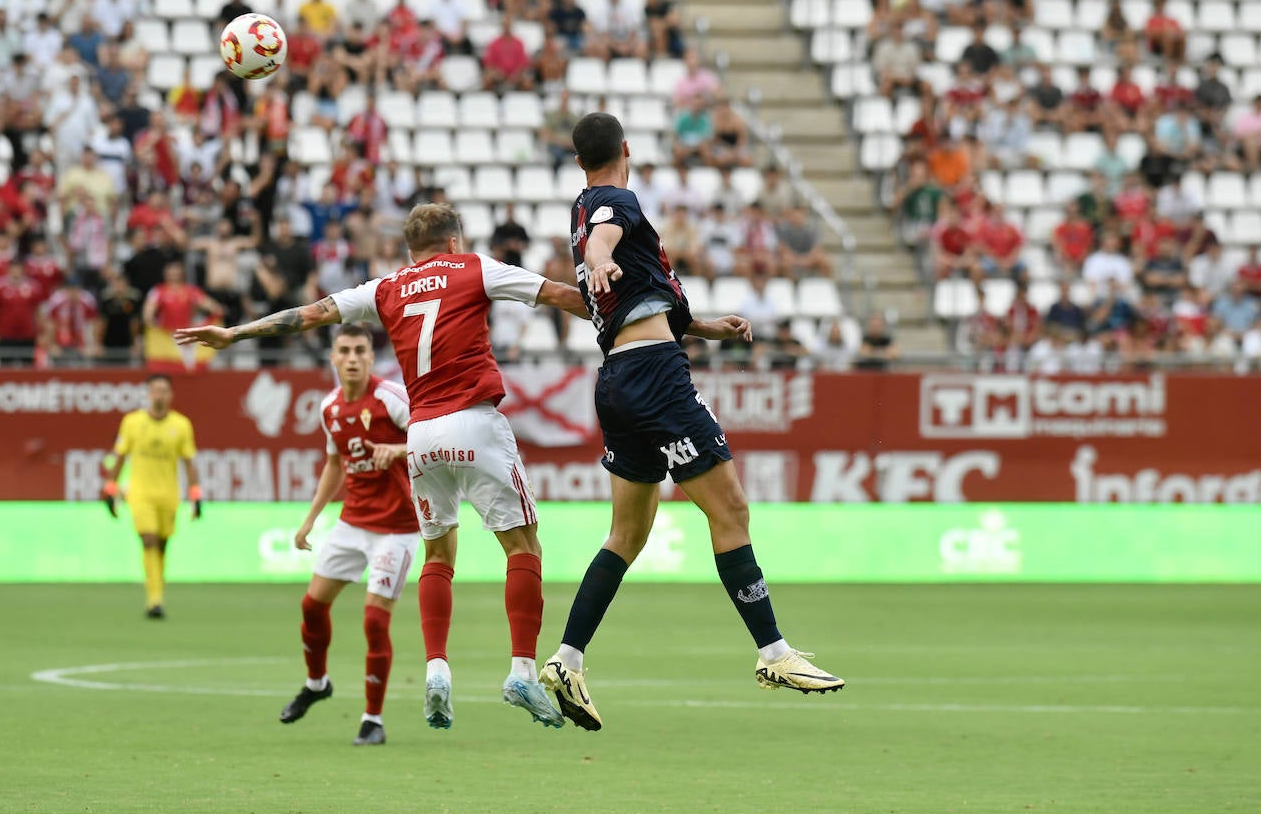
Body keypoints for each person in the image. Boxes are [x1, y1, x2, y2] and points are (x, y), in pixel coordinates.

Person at [174, 204, 591, 732]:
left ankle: (437, 668)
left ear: (409, 250)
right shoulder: (474, 268)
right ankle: (521, 670)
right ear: (454, 241)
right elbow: (557, 295)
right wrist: (623, 322)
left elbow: (308, 314)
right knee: (523, 546)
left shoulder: (384, 288)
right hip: (475, 421)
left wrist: (234, 333)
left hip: (420, 437)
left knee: (438, 554)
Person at [540, 113, 845, 733]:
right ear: (627, 150)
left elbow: (634, 294)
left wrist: (703, 325)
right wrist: (599, 263)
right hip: (656, 378)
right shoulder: (612, 202)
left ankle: (566, 659)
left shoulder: (583, 207)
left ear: (577, 161)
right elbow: (603, 241)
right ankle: (774, 653)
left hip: (618, 379)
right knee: (730, 512)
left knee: (626, 534)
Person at [279, 324, 419, 747]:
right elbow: (335, 464)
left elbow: (433, 438)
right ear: (333, 358)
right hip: (352, 522)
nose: (354, 357)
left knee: (375, 619)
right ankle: (317, 683)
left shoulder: (391, 398)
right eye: (345, 350)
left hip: (397, 528)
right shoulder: (330, 408)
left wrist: (396, 450)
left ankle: (372, 719)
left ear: (370, 357)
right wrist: (309, 520)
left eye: (361, 350)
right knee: (312, 605)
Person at [100, 374, 201, 619]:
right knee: (148, 540)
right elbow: (120, 456)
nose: (159, 395)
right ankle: (154, 600)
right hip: (140, 494)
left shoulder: (181, 425)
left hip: (168, 495)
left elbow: (189, 462)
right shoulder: (132, 422)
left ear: (171, 395)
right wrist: (110, 487)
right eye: (155, 390)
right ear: (148, 394)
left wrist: (195, 494)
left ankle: (157, 591)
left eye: (164, 391)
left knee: (163, 545)